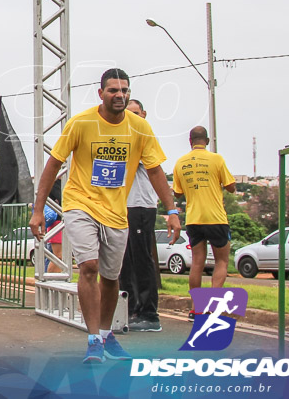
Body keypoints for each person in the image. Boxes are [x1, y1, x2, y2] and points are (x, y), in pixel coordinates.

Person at [29, 68, 181, 365]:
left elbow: (154, 171)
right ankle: (93, 340)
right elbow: (53, 163)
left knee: (111, 278)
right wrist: (38, 209)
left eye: (125, 90)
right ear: (101, 94)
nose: (120, 95)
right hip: (80, 203)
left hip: (116, 211)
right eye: (113, 90)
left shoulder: (139, 128)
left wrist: (172, 210)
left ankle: (106, 334)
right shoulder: (81, 123)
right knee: (89, 266)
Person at [173, 126, 237, 301]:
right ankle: (214, 303)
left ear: (190, 141)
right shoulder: (216, 159)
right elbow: (231, 187)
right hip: (216, 217)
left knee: (197, 263)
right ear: (207, 141)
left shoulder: (180, 163)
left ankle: (196, 308)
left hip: (194, 219)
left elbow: (177, 193)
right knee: (221, 261)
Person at [118, 98, 162, 332]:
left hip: (141, 206)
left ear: (143, 114)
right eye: (128, 113)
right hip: (122, 206)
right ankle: (129, 308)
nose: (132, 117)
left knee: (142, 260)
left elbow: (154, 170)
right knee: (124, 262)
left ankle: (149, 313)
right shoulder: (123, 139)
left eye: (136, 113)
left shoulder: (146, 139)